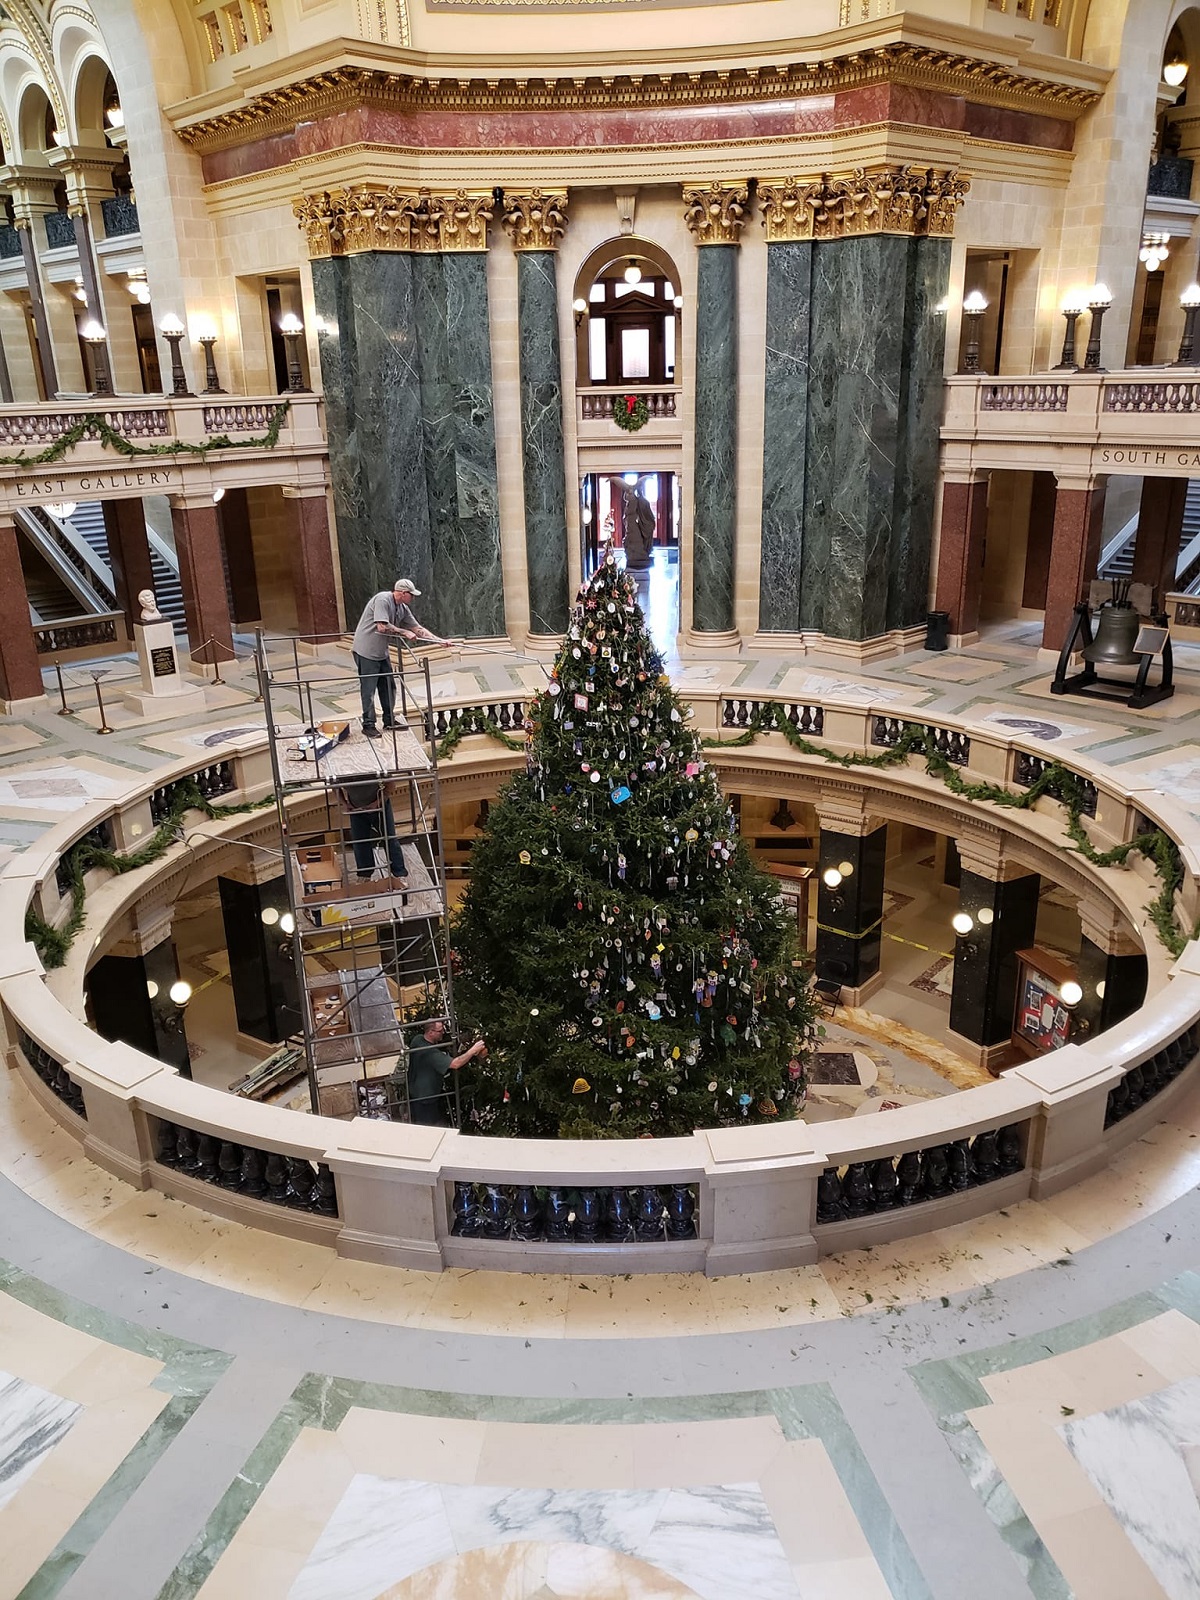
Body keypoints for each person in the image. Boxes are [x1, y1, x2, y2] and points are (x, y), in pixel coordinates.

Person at [351, 579, 449, 739]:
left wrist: (439, 641)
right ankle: (368, 725)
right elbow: (381, 626)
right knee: (368, 689)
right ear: (403, 593)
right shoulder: (383, 599)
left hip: (381, 652)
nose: (413, 598)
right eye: (411, 595)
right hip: (366, 651)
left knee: (388, 686)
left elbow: (417, 628)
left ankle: (389, 720)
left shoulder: (402, 608)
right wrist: (404, 632)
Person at [399, 1019, 486, 1126]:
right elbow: (455, 1064)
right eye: (440, 1031)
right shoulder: (430, 1053)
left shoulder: (417, 1040)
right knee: (428, 1130)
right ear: (431, 1032)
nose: (443, 1032)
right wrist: (472, 1051)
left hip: (417, 1094)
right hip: (425, 1099)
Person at [336, 780, 407, 884]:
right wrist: (344, 803)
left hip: (380, 805)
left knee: (390, 839)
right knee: (360, 842)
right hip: (356, 809)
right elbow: (335, 786)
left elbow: (391, 784)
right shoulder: (341, 770)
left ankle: (400, 874)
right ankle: (364, 875)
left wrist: (377, 803)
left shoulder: (372, 766)